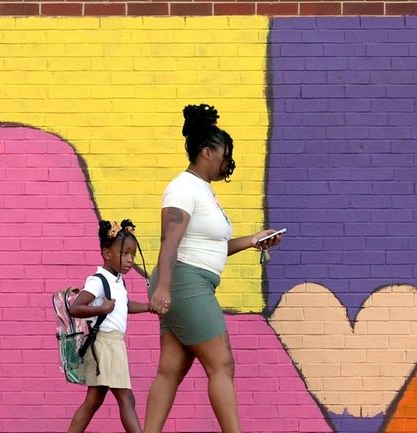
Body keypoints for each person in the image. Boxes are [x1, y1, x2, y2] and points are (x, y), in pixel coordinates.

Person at [144, 104, 283, 433]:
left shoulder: (201, 190)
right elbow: (169, 240)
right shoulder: (183, 188)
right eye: (224, 152)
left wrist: (252, 240)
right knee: (221, 364)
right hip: (184, 282)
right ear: (206, 151)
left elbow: (210, 246)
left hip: (187, 281)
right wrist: (164, 288)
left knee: (171, 369)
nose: (227, 160)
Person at [67, 219, 152, 433]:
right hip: (105, 345)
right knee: (126, 399)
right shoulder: (98, 280)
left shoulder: (117, 280)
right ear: (107, 254)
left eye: (133, 255)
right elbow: (76, 308)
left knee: (93, 401)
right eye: (125, 254)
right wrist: (101, 309)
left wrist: (149, 307)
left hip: (113, 345)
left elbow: (123, 306)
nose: (130, 260)